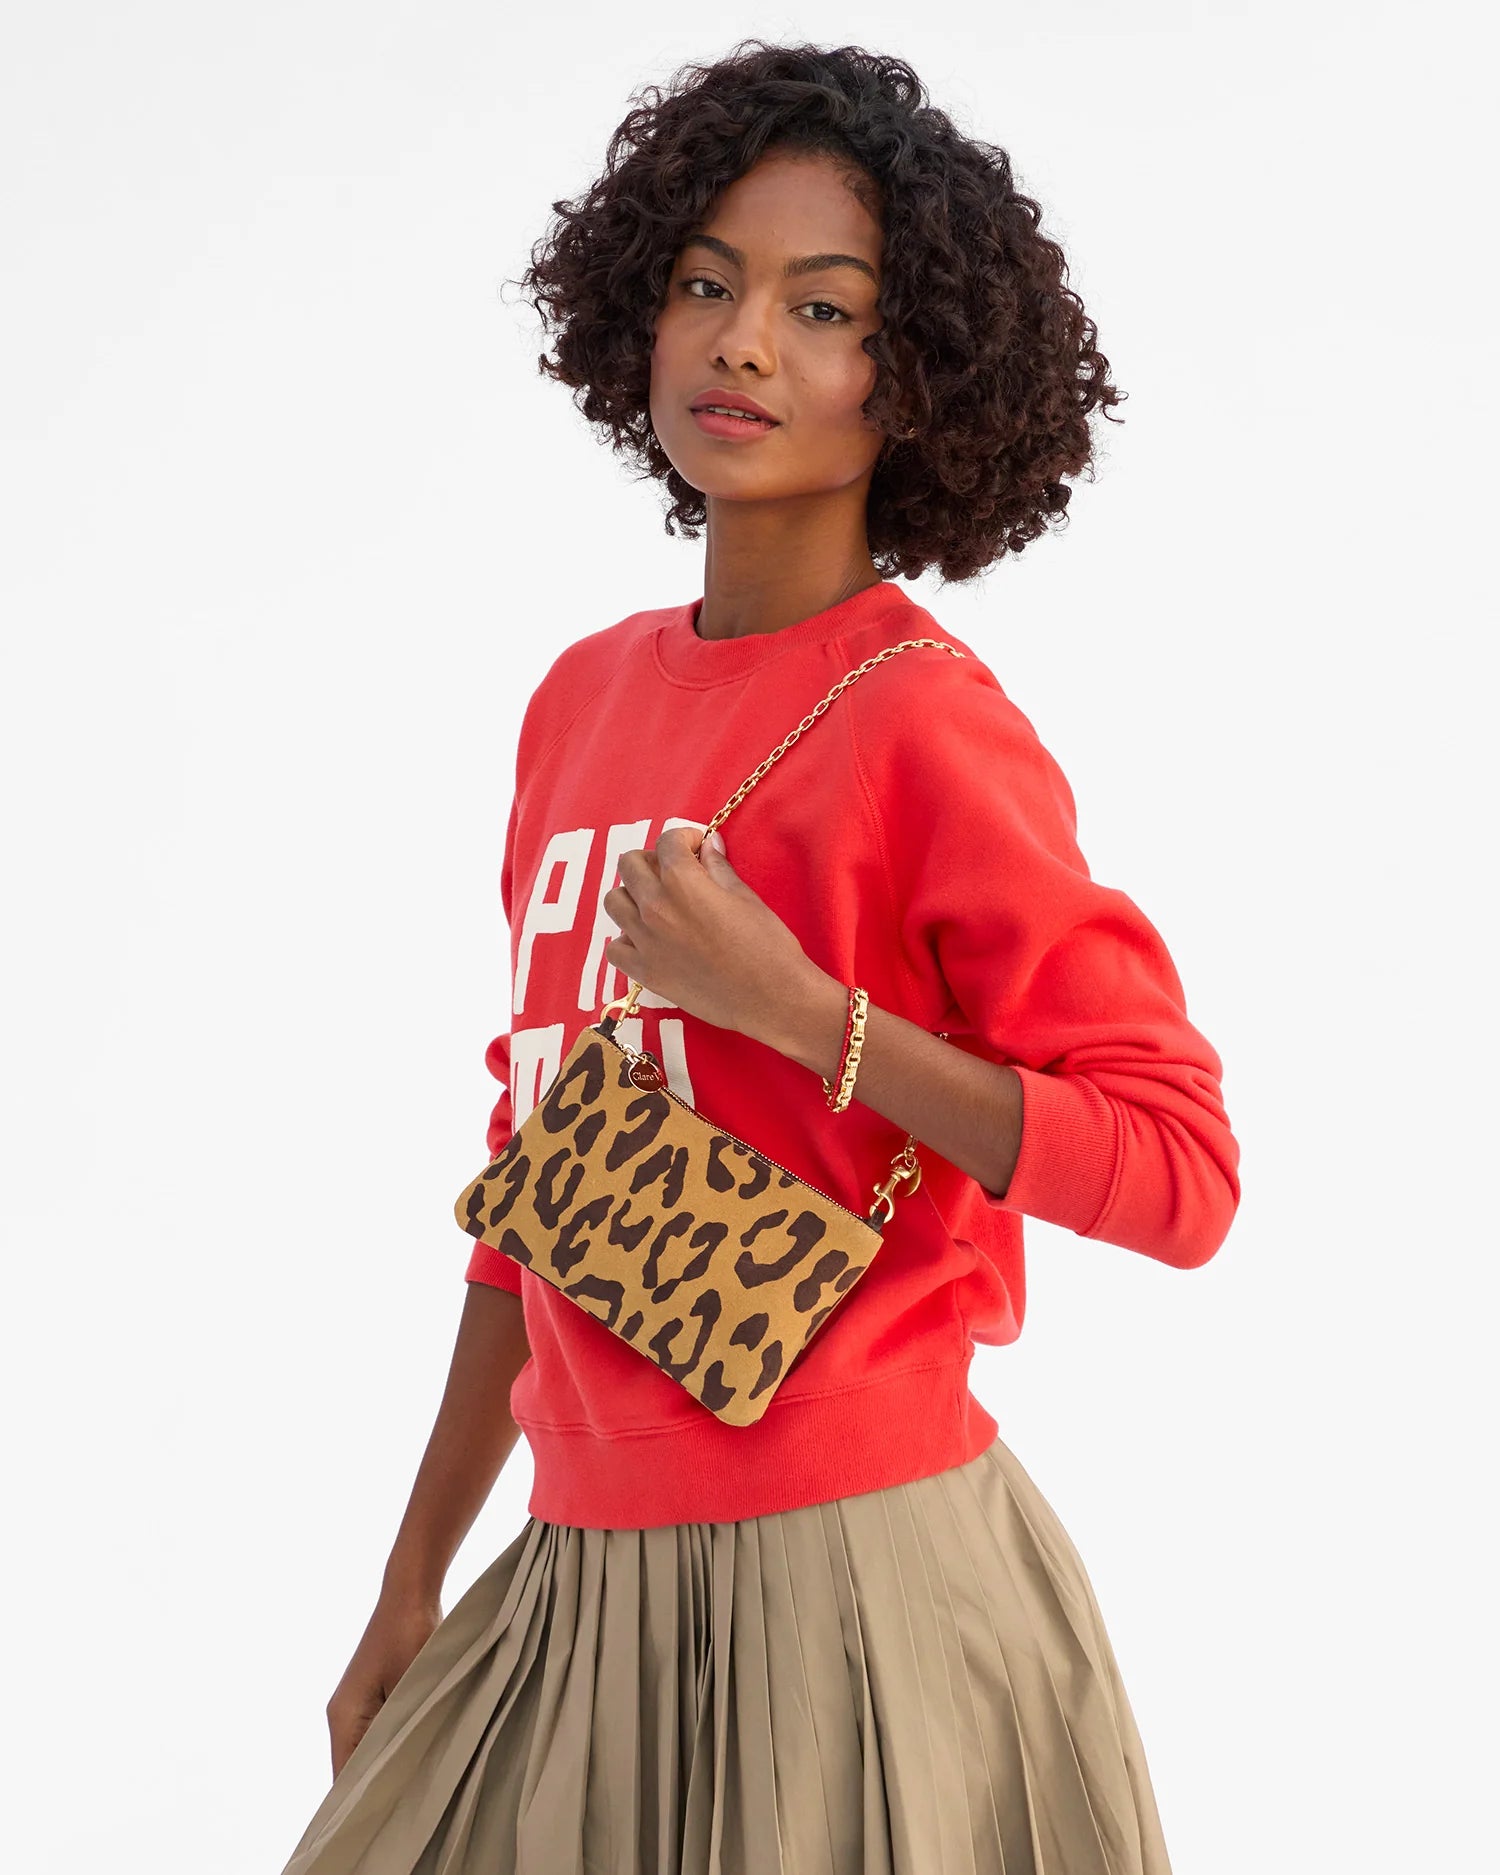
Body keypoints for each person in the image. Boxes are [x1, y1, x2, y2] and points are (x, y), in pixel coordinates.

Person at [279, 38, 1240, 1875]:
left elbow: (1182, 1176)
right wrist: (410, 1582)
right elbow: (539, 1177)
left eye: (825, 310)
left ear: (920, 380)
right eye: (709, 284)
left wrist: (805, 1017)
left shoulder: (929, 730)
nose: (742, 344)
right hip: (572, 1575)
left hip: (854, 1587)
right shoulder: (579, 700)